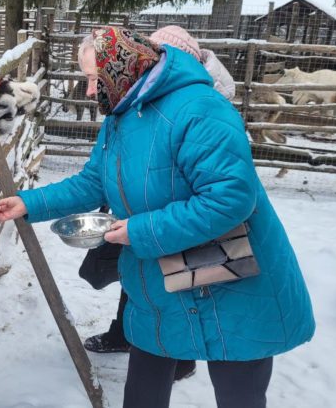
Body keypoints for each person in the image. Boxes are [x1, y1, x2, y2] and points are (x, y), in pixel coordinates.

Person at [0, 26, 315, 408]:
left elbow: (229, 199)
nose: (90, 91)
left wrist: (140, 230)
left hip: (235, 281)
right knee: (143, 391)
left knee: (238, 396)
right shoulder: (122, 114)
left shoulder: (201, 110)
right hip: (161, 282)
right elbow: (94, 181)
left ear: (122, 68)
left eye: (95, 79)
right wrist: (29, 203)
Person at [81, 25, 239, 382]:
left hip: (185, 231)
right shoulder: (135, 109)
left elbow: (222, 197)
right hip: (153, 226)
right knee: (151, 294)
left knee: (188, 294)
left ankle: (181, 355)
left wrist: (142, 224)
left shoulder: (200, 106)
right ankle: (139, 339)